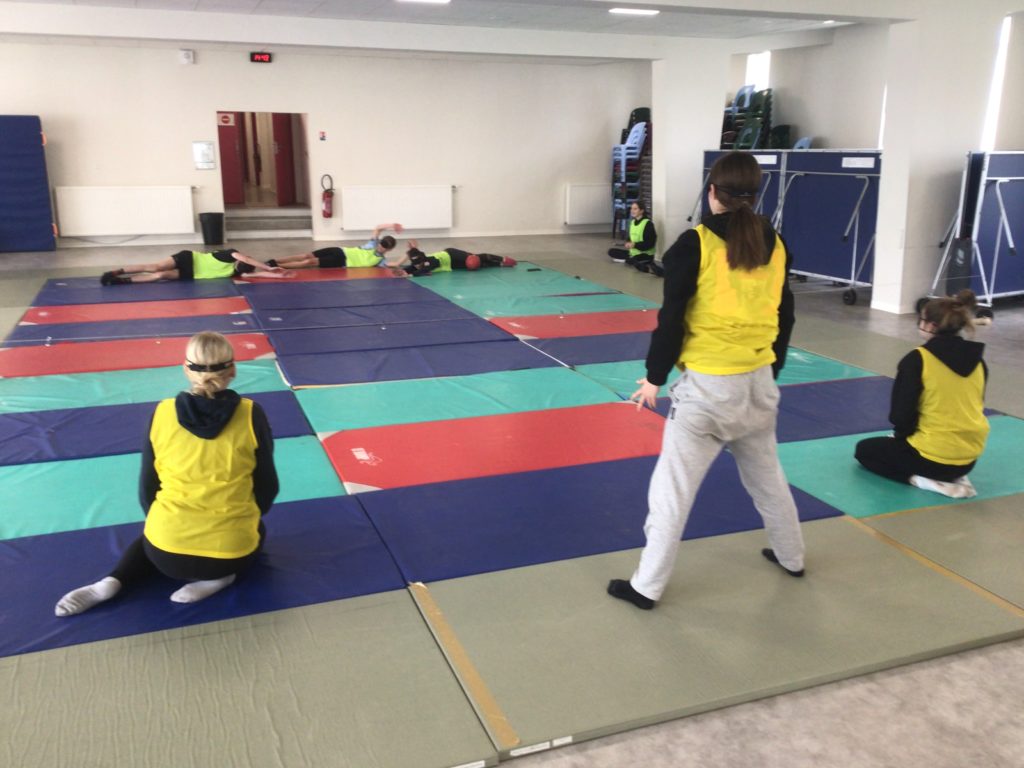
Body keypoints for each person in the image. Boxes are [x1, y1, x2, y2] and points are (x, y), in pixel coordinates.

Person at [607, 151, 804, 611]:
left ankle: (646, 586)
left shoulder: (694, 245)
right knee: (769, 481)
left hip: (709, 391)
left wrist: (654, 377)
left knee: (671, 492)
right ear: (754, 196)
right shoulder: (776, 243)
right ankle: (792, 557)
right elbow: (785, 315)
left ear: (712, 192)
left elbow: (672, 320)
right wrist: (770, 369)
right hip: (758, 384)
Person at [54, 331, 279, 616]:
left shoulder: (162, 412)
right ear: (232, 369)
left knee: (153, 531)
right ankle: (220, 578)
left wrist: (167, 522)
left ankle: (112, 581)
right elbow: (267, 486)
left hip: (164, 553)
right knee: (258, 530)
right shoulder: (251, 414)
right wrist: (246, 515)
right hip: (229, 554)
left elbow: (147, 486)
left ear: (186, 369)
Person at [854, 290, 989, 498]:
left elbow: (901, 415)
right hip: (968, 459)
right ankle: (950, 475)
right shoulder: (979, 362)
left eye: (921, 320)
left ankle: (922, 480)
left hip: (931, 458)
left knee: (865, 450)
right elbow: (974, 405)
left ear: (931, 326)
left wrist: (901, 439)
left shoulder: (917, 360)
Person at [100, 249, 287, 284]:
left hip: (191, 274)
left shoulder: (236, 271)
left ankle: (123, 281)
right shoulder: (230, 254)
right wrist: (269, 268)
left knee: (159, 276)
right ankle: (118, 271)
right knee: (156, 267)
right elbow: (246, 259)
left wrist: (277, 275)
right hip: (189, 259)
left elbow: (254, 276)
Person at [266, 222, 404, 269]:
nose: (381, 246)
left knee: (309, 262)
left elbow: (397, 264)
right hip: (340, 250)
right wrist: (392, 225)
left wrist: (411, 252)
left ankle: (276, 266)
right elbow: (378, 228)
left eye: (384, 246)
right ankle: (274, 260)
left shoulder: (381, 261)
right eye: (382, 243)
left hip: (341, 261)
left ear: (389, 249)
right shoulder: (372, 243)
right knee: (306, 255)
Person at [399, 240, 517, 276]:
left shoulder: (430, 262)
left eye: (418, 263)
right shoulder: (418, 263)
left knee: (474, 260)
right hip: (452, 265)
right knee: (477, 266)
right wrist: (404, 271)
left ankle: (502, 259)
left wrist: (411, 274)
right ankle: (499, 264)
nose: (417, 265)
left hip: (451, 255)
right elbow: (413, 267)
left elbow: (423, 269)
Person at [608, 201, 661, 275]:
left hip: (645, 254)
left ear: (641, 211)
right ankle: (629, 259)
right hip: (633, 252)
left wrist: (635, 245)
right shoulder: (632, 222)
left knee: (634, 260)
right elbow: (630, 237)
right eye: (631, 208)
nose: (632, 211)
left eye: (635, 209)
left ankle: (634, 261)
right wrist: (628, 242)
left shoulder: (648, 224)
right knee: (611, 251)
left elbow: (650, 244)